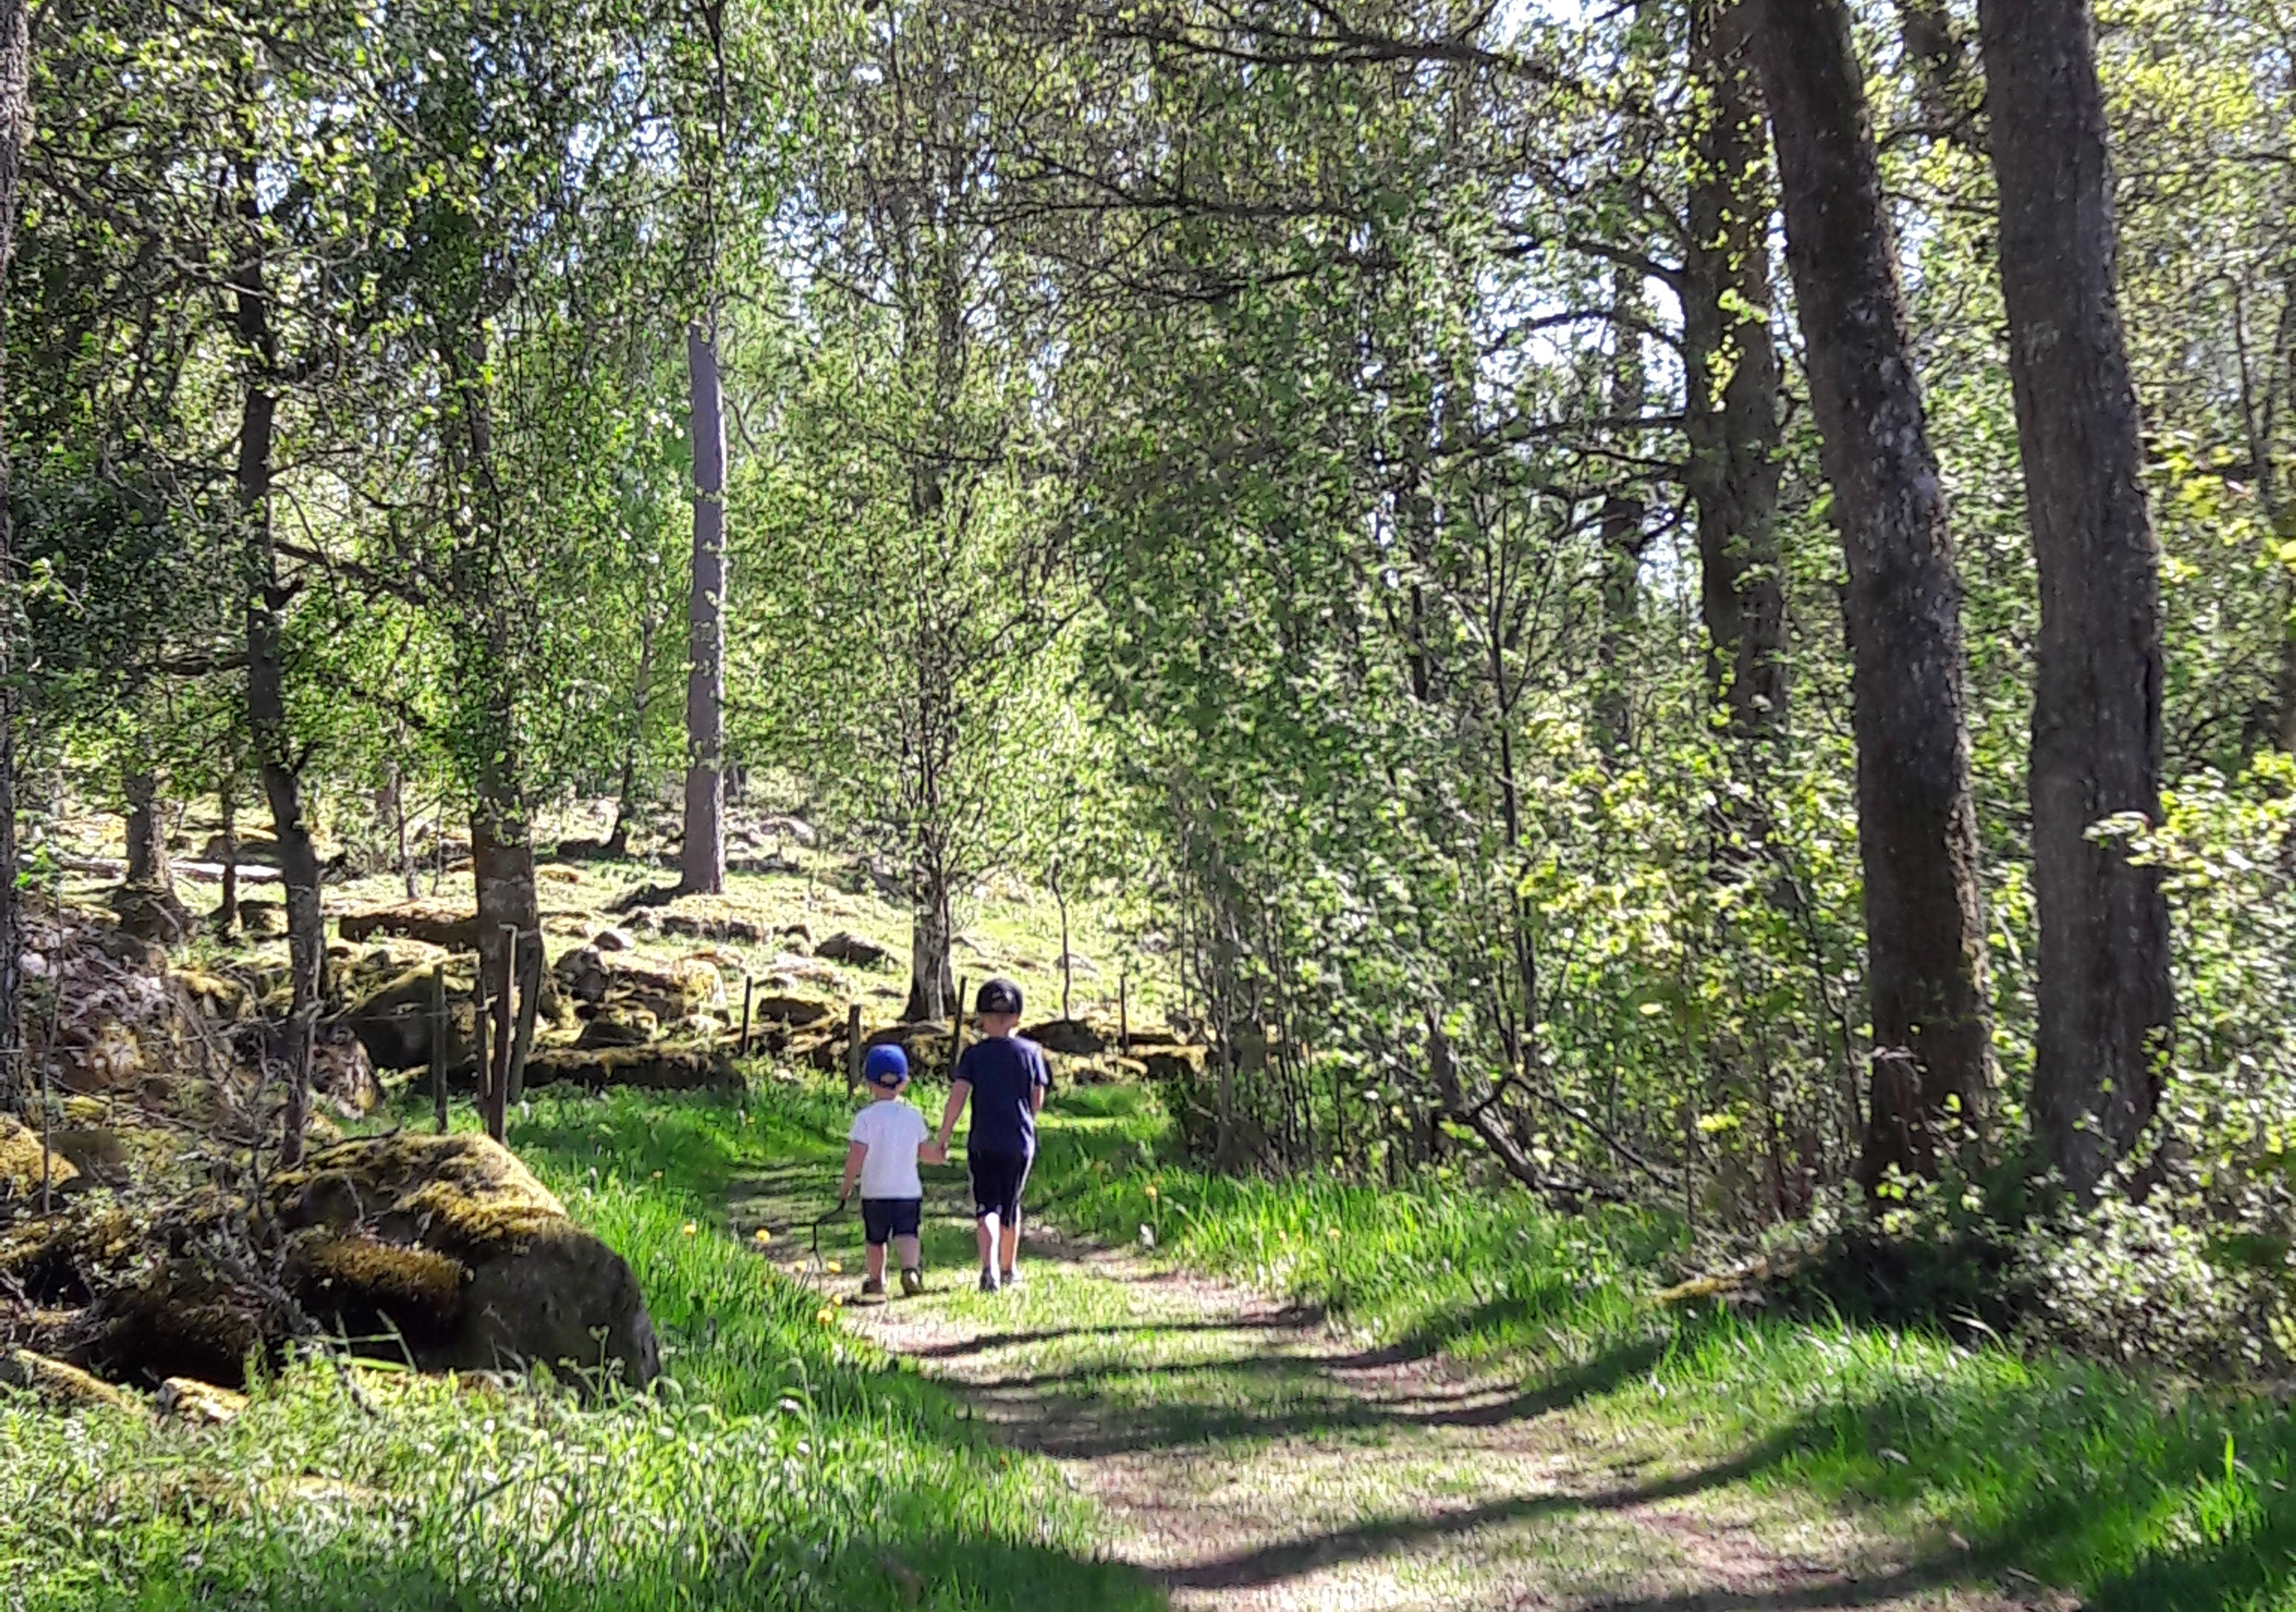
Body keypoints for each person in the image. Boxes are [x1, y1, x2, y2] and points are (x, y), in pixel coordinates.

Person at [934, 976, 1050, 1292]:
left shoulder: (974, 1056)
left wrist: (944, 1136)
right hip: (1019, 1142)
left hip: (983, 1142)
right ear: (1018, 1017)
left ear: (982, 1018)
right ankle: (1009, 1269)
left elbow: (958, 1097)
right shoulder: (1032, 1053)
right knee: (1011, 1205)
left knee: (987, 1206)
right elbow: (1037, 1097)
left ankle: (989, 1269)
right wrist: (1027, 1119)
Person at [839, 1044, 944, 1298]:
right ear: (905, 1083)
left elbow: (856, 1156)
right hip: (908, 1192)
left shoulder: (865, 1118)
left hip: (874, 1193)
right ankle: (910, 1270)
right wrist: (940, 1154)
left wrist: (847, 1185)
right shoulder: (913, 1116)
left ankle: (877, 1280)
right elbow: (924, 1153)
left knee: (876, 1239)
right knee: (908, 1234)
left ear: (868, 1083)